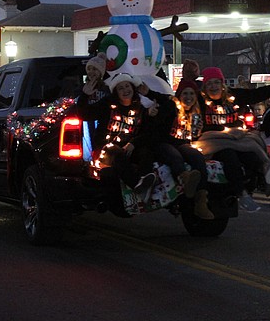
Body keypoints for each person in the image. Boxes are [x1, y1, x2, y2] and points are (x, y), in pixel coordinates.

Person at [197, 66, 270, 211]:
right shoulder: (200, 102)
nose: (213, 87)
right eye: (209, 84)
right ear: (205, 87)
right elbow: (183, 98)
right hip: (214, 141)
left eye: (216, 83)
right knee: (230, 158)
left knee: (252, 156)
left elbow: (258, 94)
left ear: (222, 84)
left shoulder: (234, 96)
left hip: (236, 137)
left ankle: (266, 177)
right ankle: (242, 194)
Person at [76, 73, 162, 204]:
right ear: (116, 92)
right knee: (117, 153)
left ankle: (145, 184)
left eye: (127, 86)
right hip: (106, 149)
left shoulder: (140, 108)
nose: (125, 90)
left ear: (133, 88)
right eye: (120, 88)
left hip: (129, 147)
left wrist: (134, 143)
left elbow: (147, 132)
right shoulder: (107, 105)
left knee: (146, 152)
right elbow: (84, 114)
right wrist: (85, 95)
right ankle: (137, 186)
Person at [153, 79, 214, 219]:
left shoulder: (198, 110)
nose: (188, 97)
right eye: (185, 93)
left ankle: (201, 201)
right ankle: (186, 180)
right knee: (176, 157)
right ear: (179, 96)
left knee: (197, 157)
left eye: (191, 93)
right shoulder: (171, 106)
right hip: (165, 143)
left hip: (184, 143)